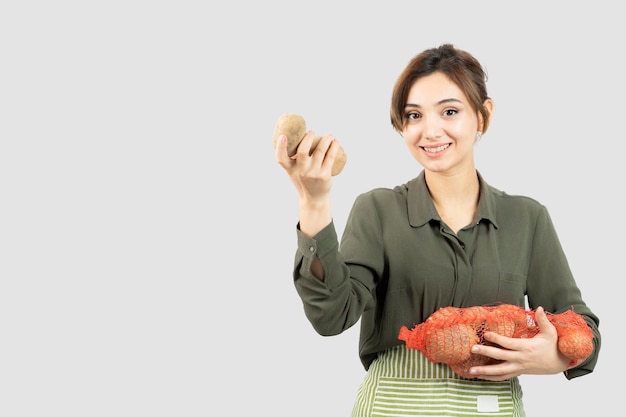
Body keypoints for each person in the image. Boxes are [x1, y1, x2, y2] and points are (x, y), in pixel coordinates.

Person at [274, 43, 601, 417]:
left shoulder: (527, 218)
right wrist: (314, 202)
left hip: (490, 407)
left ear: (482, 115)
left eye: (449, 111)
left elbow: (582, 325)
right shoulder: (378, 210)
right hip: (394, 407)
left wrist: (555, 356)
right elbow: (333, 316)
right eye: (414, 115)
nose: (430, 131)